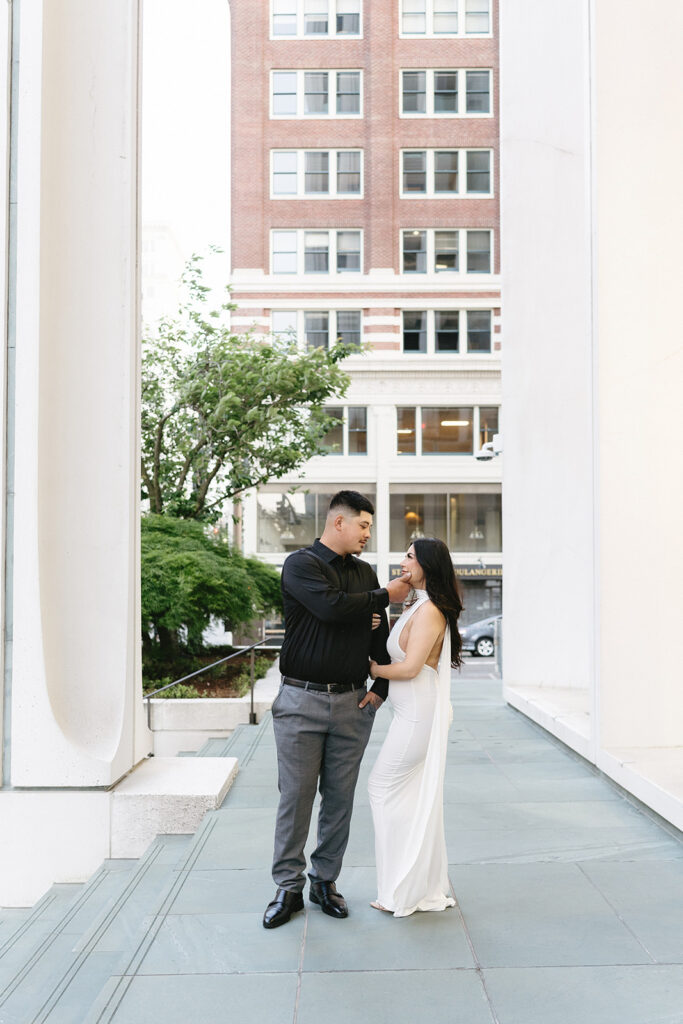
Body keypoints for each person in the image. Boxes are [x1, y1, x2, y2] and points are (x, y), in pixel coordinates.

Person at [263, 490, 412, 929]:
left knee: (339, 800)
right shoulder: (301, 565)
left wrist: (381, 688)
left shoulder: (365, 573)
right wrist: (382, 596)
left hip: (353, 702)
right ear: (339, 523)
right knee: (295, 797)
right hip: (300, 700)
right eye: (363, 525)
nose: (368, 533)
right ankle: (287, 888)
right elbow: (329, 608)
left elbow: (378, 637)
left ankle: (323, 882)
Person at [367, 538, 463, 917]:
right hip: (408, 714)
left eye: (409, 557)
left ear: (426, 564)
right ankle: (408, 882)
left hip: (418, 715)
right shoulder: (416, 605)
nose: (402, 562)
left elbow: (409, 668)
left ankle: (401, 887)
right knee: (405, 796)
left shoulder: (431, 612)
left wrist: (372, 670)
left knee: (382, 787)